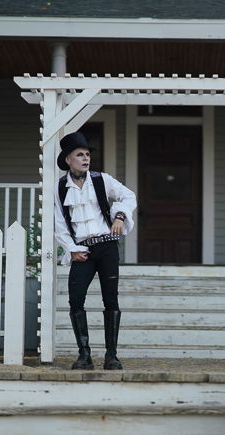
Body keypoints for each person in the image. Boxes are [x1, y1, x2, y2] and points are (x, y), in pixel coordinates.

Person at [54, 131, 137, 370]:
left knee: (110, 298)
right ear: (68, 159)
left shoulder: (101, 180)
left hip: (107, 246)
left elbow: (127, 195)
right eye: (80, 154)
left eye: (87, 154)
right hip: (83, 251)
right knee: (76, 299)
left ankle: (111, 356)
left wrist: (119, 216)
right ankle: (84, 354)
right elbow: (59, 223)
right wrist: (71, 249)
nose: (85, 158)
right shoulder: (59, 188)